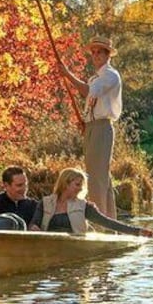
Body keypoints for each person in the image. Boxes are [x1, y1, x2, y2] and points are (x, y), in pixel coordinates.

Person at [58, 35, 122, 219]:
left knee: (95, 179)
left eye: (100, 52)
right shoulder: (96, 77)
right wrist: (86, 122)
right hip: (93, 127)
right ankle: (109, 221)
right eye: (93, 53)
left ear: (108, 54)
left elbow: (87, 92)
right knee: (103, 178)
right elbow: (90, 101)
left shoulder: (110, 75)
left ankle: (99, 221)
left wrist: (67, 74)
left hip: (102, 128)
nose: (96, 56)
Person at [29, 168, 153, 236]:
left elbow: (107, 222)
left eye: (81, 185)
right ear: (65, 184)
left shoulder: (85, 206)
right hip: (48, 244)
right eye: (77, 184)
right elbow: (33, 224)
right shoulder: (45, 203)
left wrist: (137, 231)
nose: (80, 188)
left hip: (73, 246)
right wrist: (33, 228)